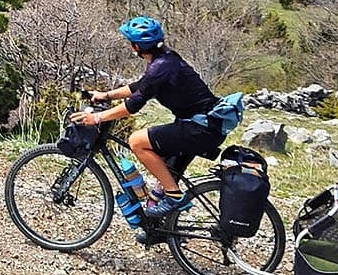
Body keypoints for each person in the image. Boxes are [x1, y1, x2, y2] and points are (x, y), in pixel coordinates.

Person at [70, 15, 223, 219]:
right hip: (203, 125)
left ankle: (176, 198)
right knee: (163, 182)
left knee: (137, 142)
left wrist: (97, 119)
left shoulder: (160, 68)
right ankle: (159, 229)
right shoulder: (166, 60)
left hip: (199, 128)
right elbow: (140, 87)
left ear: (136, 47)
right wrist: (105, 95)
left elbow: (133, 105)